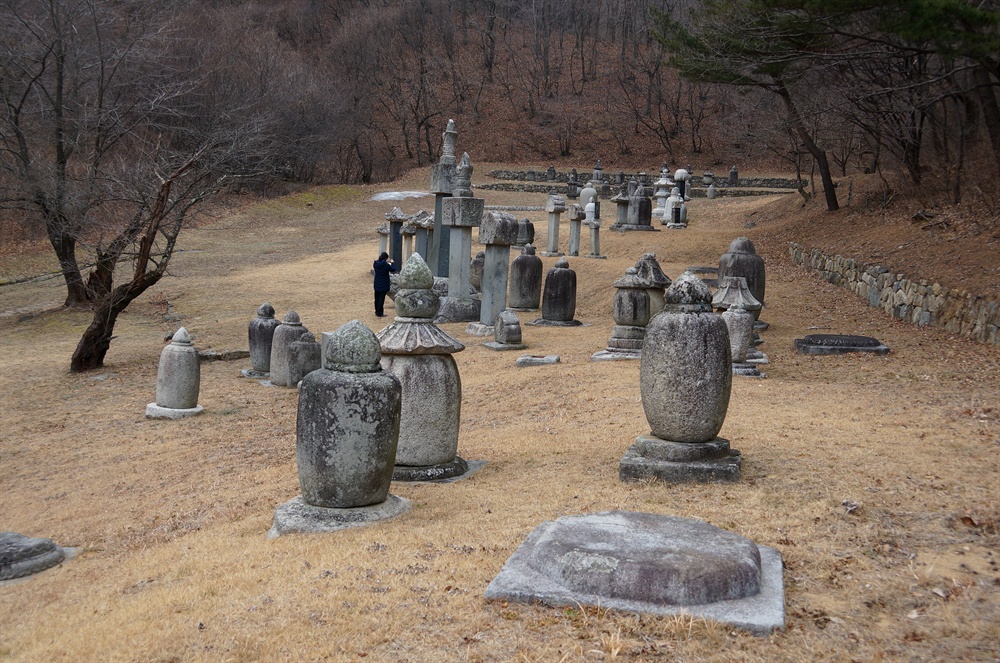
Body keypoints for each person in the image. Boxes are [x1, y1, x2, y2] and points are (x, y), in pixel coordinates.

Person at [372, 252, 398, 317]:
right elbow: (393, 269)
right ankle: (380, 313)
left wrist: (387, 263)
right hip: (384, 283)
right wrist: (392, 262)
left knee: (377, 298)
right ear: (386, 258)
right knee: (381, 299)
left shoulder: (375, 264)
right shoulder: (385, 265)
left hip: (377, 283)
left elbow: (383, 264)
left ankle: (376, 311)